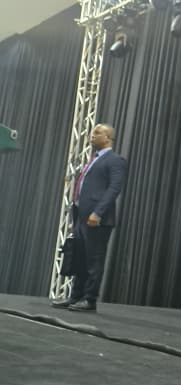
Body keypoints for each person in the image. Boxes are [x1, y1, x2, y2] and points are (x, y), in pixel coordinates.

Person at [52, 123, 127, 312]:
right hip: (81, 216)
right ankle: (75, 296)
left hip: (97, 219)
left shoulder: (115, 160)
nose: (92, 135)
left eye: (97, 133)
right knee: (80, 258)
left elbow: (114, 188)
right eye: (92, 133)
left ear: (108, 138)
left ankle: (90, 299)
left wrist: (98, 212)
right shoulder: (93, 159)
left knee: (94, 260)